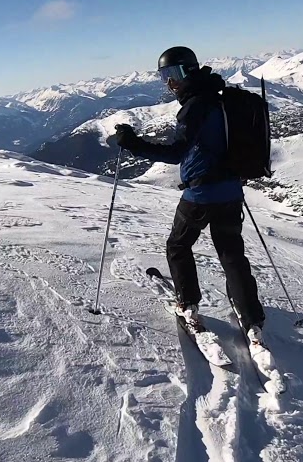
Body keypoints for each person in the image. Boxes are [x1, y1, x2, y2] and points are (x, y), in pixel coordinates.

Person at [109, 46, 266, 345]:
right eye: (164, 77)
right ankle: (252, 320)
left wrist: (133, 143)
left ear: (189, 71)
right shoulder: (220, 100)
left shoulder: (196, 106)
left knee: (178, 245)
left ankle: (188, 305)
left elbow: (175, 152)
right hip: (231, 192)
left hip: (201, 194)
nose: (169, 83)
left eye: (173, 74)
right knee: (231, 254)